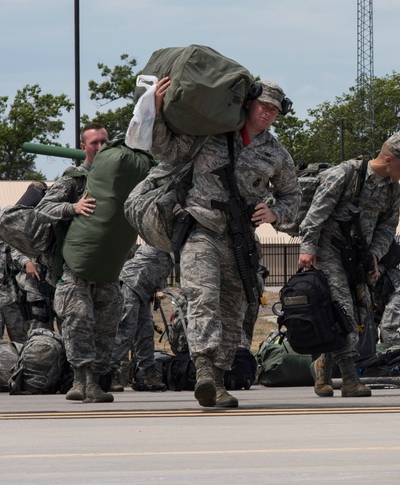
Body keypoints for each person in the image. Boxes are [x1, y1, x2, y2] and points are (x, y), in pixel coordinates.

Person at [152, 78, 300, 408]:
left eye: (275, 111)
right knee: (202, 296)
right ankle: (203, 368)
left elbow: (293, 194)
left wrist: (275, 213)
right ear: (249, 103)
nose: (268, 114)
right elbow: (168, 151)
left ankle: (217, 380)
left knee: (235, 309)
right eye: (264, 106)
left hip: (241, 240)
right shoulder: (212, 132)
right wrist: (158, 112)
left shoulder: (275, 153)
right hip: (201, 230)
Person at [298, 133, 400, 398]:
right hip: (328, 249)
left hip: (357, 255)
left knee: (361, 314)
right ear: (388, 160)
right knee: (344, 310)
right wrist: (307, 247)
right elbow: (316, 213)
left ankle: (323, 367)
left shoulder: (392, 189)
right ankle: (350, 379)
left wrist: (375, 255)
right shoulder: (345, 174)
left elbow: (387, 228)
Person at [35, 122, 117, 403]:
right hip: (74, 267)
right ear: (83, 147)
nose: (100, 147)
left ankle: (94, 379)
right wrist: (74, 208)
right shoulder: (74, 178)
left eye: (104, 141)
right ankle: (82, 380)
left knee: (106, 325)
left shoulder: (117, 176)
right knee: (78, 319)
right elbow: (42, 209)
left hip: (107, 266)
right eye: (94, 143)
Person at [111, 244, 173, 392]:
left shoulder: (173, 247)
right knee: (126, 331)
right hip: (131, 285)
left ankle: (150, 375)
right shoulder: (161, 241)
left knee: (145, 333)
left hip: (144, 290)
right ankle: (108, 373)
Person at [0, 208, 38, 344]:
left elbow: (18, 255)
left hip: (11, 298)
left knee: (19, 339)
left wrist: (27, 262)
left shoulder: (10, 240)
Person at [372, 239, 400, 347]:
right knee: (370, 328)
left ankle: (395, 358)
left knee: (387, 327)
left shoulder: (374, 271)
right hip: (382, 292)